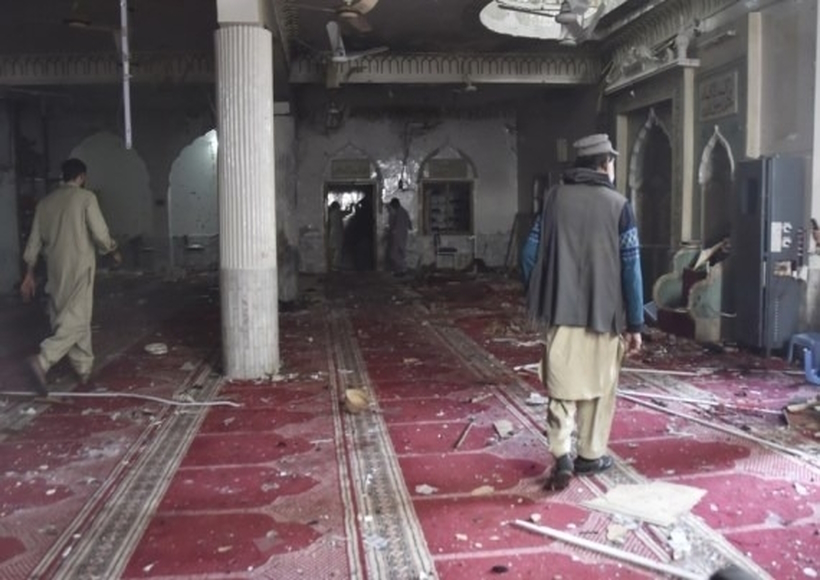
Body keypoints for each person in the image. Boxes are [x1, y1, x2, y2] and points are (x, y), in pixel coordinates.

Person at [526, 134, 644, 491]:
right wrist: (635, 322)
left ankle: (561, 451)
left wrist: (539, 293)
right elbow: (631, 267)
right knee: (599, 383)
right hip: (604, 313)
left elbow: (529, 253)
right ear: (605, 163)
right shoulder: (619, 205)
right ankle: (591, 455)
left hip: (559, 310)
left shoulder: (553, 199)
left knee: (562, 381)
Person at [20, 158, 121, 395]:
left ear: (62, 176)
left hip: (55, 270)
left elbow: (33, 242)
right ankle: (43, 360)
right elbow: (100, 233)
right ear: (82, 177)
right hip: (79, 267)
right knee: (77, 318)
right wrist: (113, 250)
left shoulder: (44, 203)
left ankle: (83, 367)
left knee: (67, 316)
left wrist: (29, 274)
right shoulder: (86, 198)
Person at [387, 198, 411, 274]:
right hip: (403, 235)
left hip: (398, 236)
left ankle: (401, 270)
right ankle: (401, 270)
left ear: (396, 204)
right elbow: (410, 225)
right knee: (400, 254)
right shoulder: (404, 212)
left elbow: (393, 226)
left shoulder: (398, 213)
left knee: (394, 254)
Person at [327, 201, 345, 270]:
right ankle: (336, 265)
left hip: (333, 231)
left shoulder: (331, 213)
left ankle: (332, 265)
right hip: (337, 232)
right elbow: (347, 213)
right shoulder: (337, 213)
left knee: (333, 249)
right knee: (338, 249)